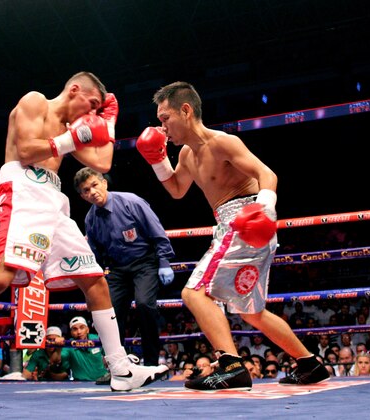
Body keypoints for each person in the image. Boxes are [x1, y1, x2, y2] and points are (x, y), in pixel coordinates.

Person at [0, 71, 168, 391]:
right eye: (92, 104)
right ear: (74, 90)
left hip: (53, 199)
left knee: (95, 279)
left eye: (98, 109)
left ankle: (121, 368)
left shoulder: (73, 127)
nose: (92, 114)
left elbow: (103, 163)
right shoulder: (35, 102)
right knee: (2, 277)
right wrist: (77, 136)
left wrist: (109, 122)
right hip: (22, 189)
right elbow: (27, 150)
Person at [135, 81, 330, 390]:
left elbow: (267, 174)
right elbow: (176, 190)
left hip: (246, 218)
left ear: (186, 110)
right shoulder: (186, 155)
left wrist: (263, 210)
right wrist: (158, 160)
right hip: (233, 224)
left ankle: (231, 365)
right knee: (250, 312)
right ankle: (310, 364)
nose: (161, 127)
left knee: (194, 292)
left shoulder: (223, 143)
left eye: (164, 118)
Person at [73, 167, 176, 366]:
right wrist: (95, 282)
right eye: (86, 190)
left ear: (104, 183)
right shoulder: (90, 219)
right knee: (107, 314)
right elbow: (95, 254)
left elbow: (158, 233)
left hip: (144, 262)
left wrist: (164, 261)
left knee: (145, 304)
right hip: (116, 269)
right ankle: (117, 366)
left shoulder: (131, 202)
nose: (92, 192)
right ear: (82, 196)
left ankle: (152, 364)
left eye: (94, 185)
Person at [51, 316, 109, 382]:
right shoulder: (69, 345)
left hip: (102, 381)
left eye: (82, 328)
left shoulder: (97, 339)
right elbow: (55, 360)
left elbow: (110, 354)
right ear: (71, 333)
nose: (79, 332)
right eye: (75, 329)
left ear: (87, 330)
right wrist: (58, 347)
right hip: (81, 383)